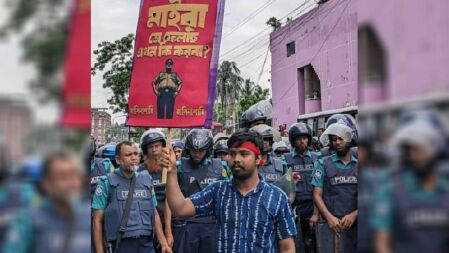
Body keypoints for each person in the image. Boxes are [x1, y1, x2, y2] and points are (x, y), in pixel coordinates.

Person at [162, 130, 297, 252]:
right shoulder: (218, 191)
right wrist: (172, 172)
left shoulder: (278, 198)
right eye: (232, 154)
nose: (236, 159)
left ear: (259, 159)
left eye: (244, 154)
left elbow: (287, 247)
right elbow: (180, 209)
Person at [372, 119, 449, 253]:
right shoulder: (391, 191)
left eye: (419, 150)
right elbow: (382, 241)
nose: (414, 156)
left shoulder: (445, 190)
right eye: (410, 150)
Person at [3, 152, 90, 253]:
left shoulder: (87, 214)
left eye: (75, 176)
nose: (72, 183)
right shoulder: (28, 220)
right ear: (46, 183)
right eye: (63, 177)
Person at [92, 141, 169, 253]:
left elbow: (154, 213)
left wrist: (163, 243)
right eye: (128, 155)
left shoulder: (146, 179)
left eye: (136, 154)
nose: (133, 158)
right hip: (121, 245)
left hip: (146, 245)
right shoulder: (106, 182)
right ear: (118, 160)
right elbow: (97, 220)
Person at [170, 129, 229, 253]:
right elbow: (170, 198)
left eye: (200, 151)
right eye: (193, 150)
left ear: (207, 150)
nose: (196, 154)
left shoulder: (221, 167)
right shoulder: (179, 167)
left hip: (212, 225)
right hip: (185, 224)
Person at [312, 121, 358, 253]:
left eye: (340, 139)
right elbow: (316, 194)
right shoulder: (323, 163)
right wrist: (329, 217)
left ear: (349, 139)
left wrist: (355, 214)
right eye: (334, 139)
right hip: (331, 226)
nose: (337, 142)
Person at [284, 123, 319, 253]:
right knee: (297, 245)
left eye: (304, 138)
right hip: (295, 208)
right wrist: (289, 178)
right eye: (298, 138)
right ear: (293, 140)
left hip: (314, 206)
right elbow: (282, 185)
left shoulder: (317, 158)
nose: (302, 141)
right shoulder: (285, 159)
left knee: (315, 245)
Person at [138, 130, 174, 252]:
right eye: (150, 147)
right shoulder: (140, 172)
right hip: (148, 222)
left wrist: (168, 231)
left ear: (163, 147)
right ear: (145, 150)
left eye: (157, 146)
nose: (154, 150)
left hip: (169, 219)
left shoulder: (168, 168)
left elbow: (169, 198)